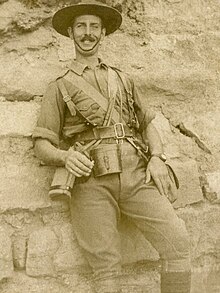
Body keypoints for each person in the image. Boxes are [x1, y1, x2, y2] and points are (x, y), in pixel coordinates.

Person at [32, 1, 191, 292]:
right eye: (81, 26)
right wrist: (65, 157)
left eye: (94, 26)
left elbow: (146, 125)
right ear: (71, 32)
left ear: (103, 33)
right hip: (91, 182)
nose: (87, 33)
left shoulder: (123, 79)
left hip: (136, 174)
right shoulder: (59, 86)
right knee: (105, 268)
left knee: (178, 243)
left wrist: (157, 157)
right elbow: (42, 144)